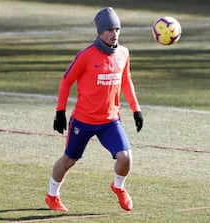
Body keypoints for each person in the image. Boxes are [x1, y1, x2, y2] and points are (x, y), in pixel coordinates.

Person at [44, 7, 143, 212]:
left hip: (110, 121)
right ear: (99, 32)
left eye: (117, 29)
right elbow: (66, 80)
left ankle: (118, 188)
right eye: (109, 30)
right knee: (69, 160)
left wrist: (136, 110)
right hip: (83, 121)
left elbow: (126, 80)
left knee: (126, 157)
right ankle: (52, 196)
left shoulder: (123, 53)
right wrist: (60, 112)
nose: (114, 34)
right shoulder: (86, 56)